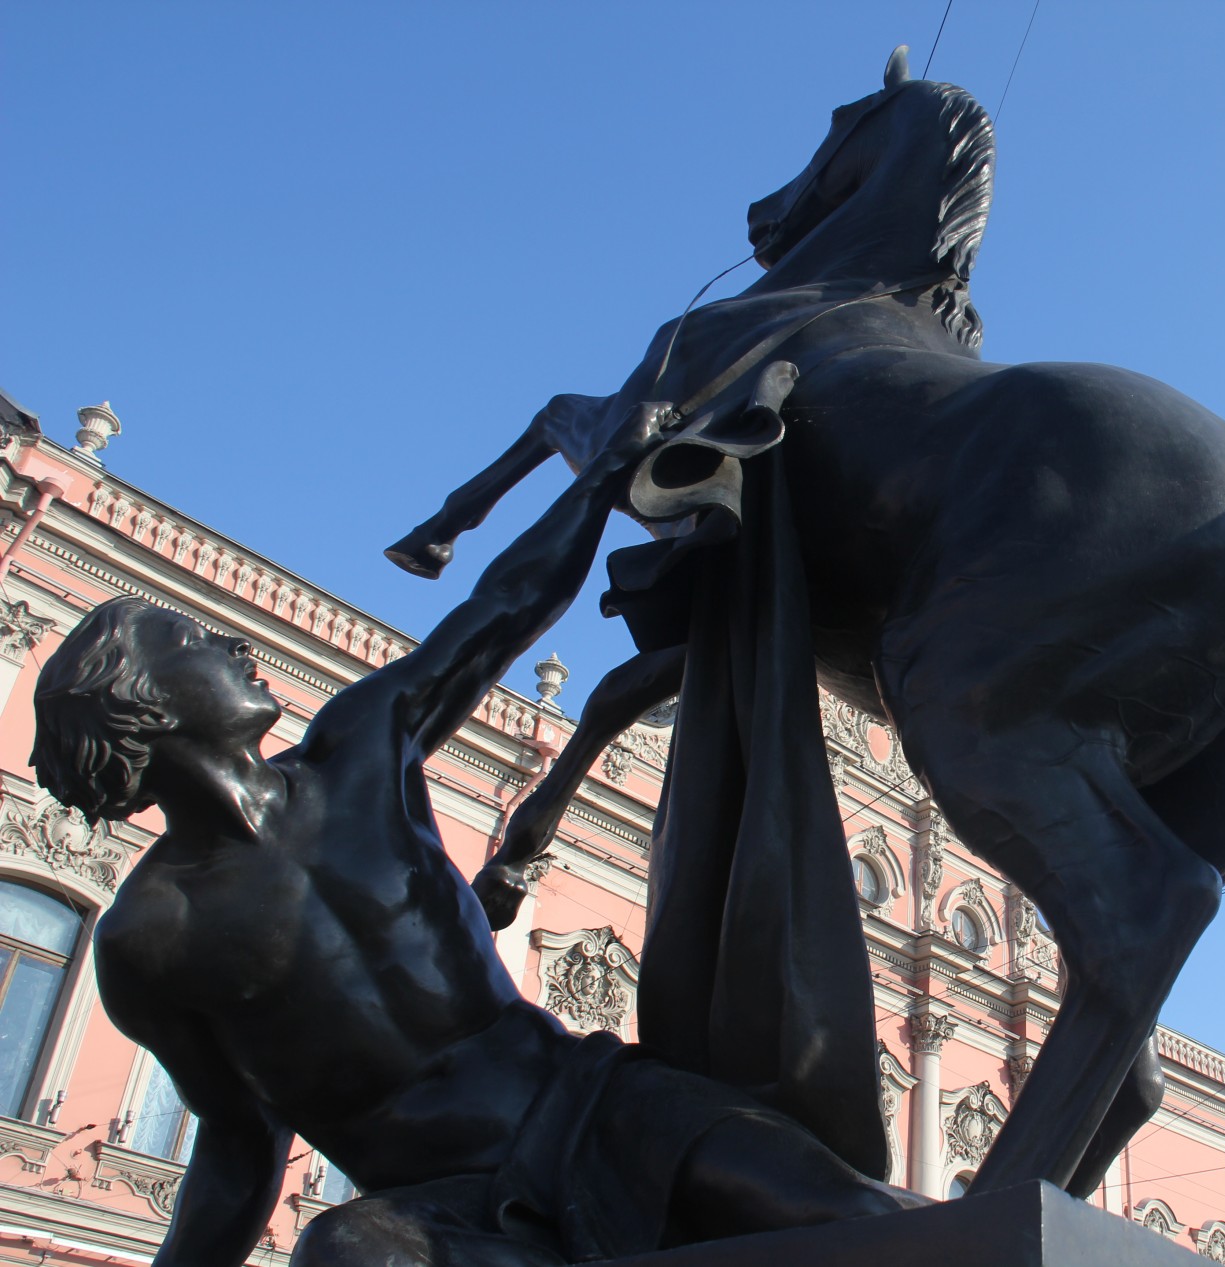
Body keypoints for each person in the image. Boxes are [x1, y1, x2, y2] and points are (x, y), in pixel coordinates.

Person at [30, 409, 913, 1267]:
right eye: (186, 638)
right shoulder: (149, 939)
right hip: (441, 1202)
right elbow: (235, 1146)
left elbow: (503, 609)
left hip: (592, 1102)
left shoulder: (360, 752)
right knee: (345, 1251)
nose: (228, 638)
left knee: (848, 1217)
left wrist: (605, 474)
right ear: (138, 703)